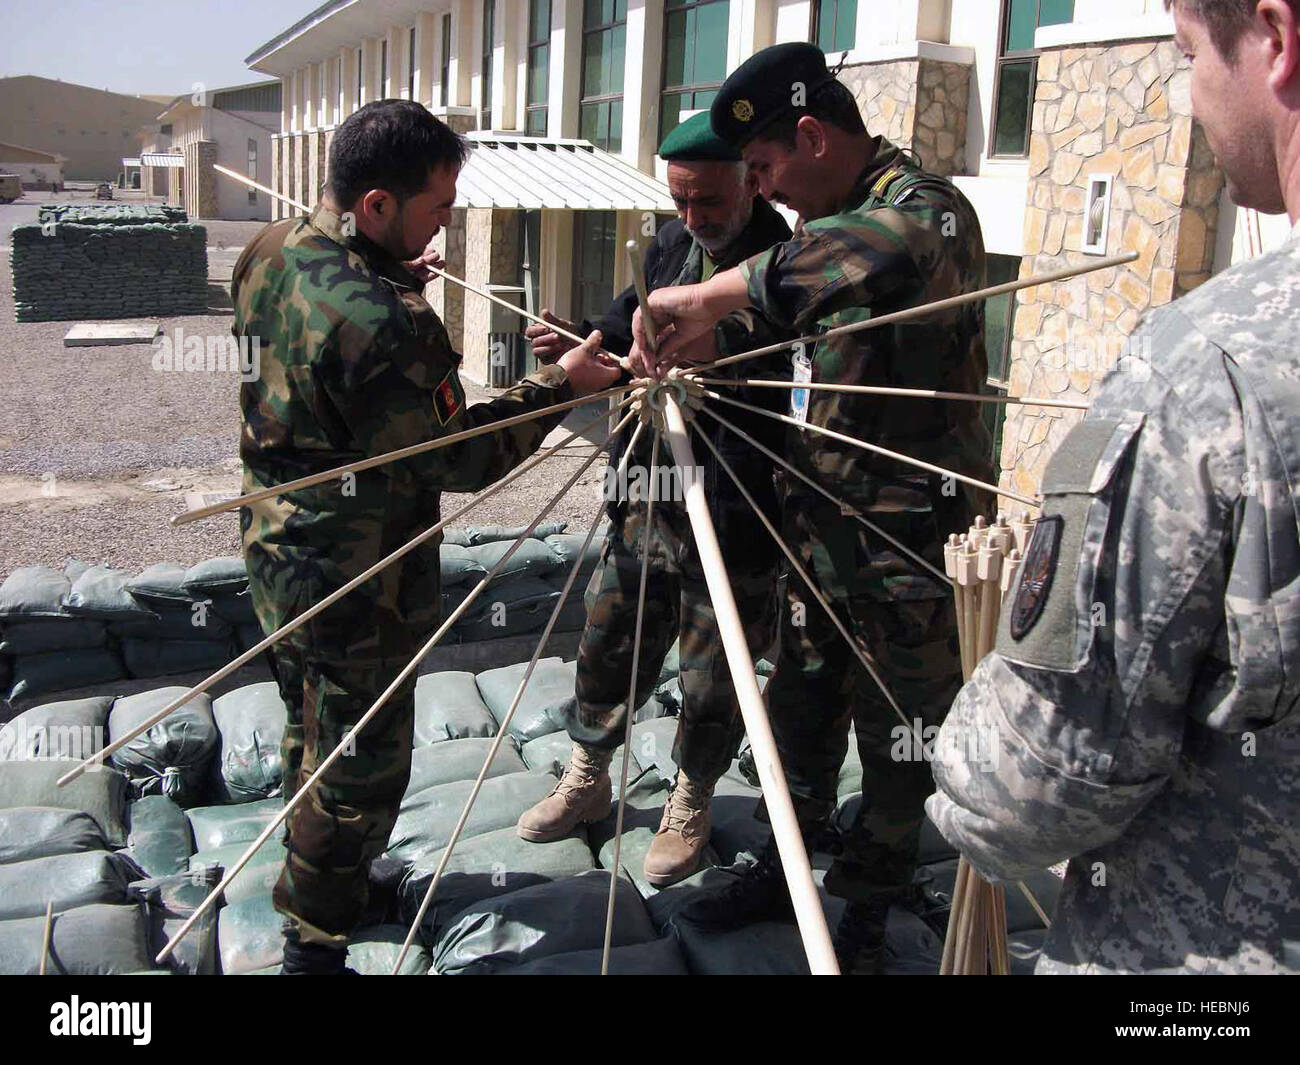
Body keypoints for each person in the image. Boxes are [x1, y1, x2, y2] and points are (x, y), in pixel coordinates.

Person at [927, 0, 1300, 974]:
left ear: (1274, 37)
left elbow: (1042, 775)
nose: (1187, 95)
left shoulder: (1204, 373)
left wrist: (958, 768)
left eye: (1187, 57)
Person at [233, 100, 620, 974]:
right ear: (376, 205)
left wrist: (398, 282)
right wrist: (561, 387)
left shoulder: (272, 249)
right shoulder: (389, 322)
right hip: (356, 573)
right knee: (362, 758)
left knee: (311, 728)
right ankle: (314, 943)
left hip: (277, 546)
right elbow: (465, 456)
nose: (445, 219)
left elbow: (319, 349)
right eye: (437, 205)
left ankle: (326, 883)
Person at [632, 44, 994, 972]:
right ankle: (780, 869)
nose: (768, 193)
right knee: (799, 713)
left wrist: (713, 292)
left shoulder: (925, 213)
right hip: (821, 534)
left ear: (811, 135)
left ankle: (868, 911)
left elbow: (862, 262)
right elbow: (787, 302)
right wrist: (698, 337)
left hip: (906, 546)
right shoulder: (822, 235)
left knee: (898, 738)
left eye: (764, 171)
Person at [516, 113, 793, 887]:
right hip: (646, 487)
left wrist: (722, 349)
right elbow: (619, 326)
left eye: (707, 200)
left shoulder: (787, 255)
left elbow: (800, 343)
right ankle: (588, 774)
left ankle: (690, 797)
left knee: (713, 664)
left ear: (748, 178)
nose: (693, 217)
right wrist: (581, 342)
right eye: (680, 201)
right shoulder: (672, 242)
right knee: (611, 636)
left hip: (734, 495)